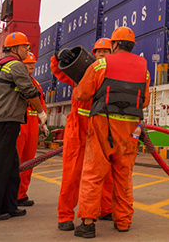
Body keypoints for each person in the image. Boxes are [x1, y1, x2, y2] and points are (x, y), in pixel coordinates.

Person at [74, 27, 150, 238]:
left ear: (114, 45)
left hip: (103, 125)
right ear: (132, 45)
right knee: (124, 176)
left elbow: (83, 94)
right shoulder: (143, 69)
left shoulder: (101, 64)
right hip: (130, 129)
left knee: (93, 173)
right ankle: (123, 222)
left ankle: (88, 224)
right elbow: (144, 101)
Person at [0, 32, 48, 222]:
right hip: (5, 123)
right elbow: (30, 91)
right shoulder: (16, 66)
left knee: (11, 167)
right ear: (15, 49)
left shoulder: (1, 66)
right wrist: (41, 113)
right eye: (25, 47)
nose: (28, 50)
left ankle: (9, 206)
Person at [51, 38, 115, 232]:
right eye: (99, 51)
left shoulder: (113, 73)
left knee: (106, 173)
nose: (102, 54)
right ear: (93, 53)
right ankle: (65, 216)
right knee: (72, 174)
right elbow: (60, 71)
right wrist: (58, 58)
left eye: (106, 51)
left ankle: (106, 209)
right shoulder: (84, 71)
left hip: (101, 128)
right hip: (78, 129)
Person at [16, 51, 46, 207]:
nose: (31, 66)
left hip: (33, 122)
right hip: (20, 121)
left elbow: (40, 102)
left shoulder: (36, 83)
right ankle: (11, 194)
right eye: (28, 63)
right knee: (16, 160)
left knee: (29, 161)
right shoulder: (16, 80)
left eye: (33, 64)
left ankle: (21, 195)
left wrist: (44, 123)